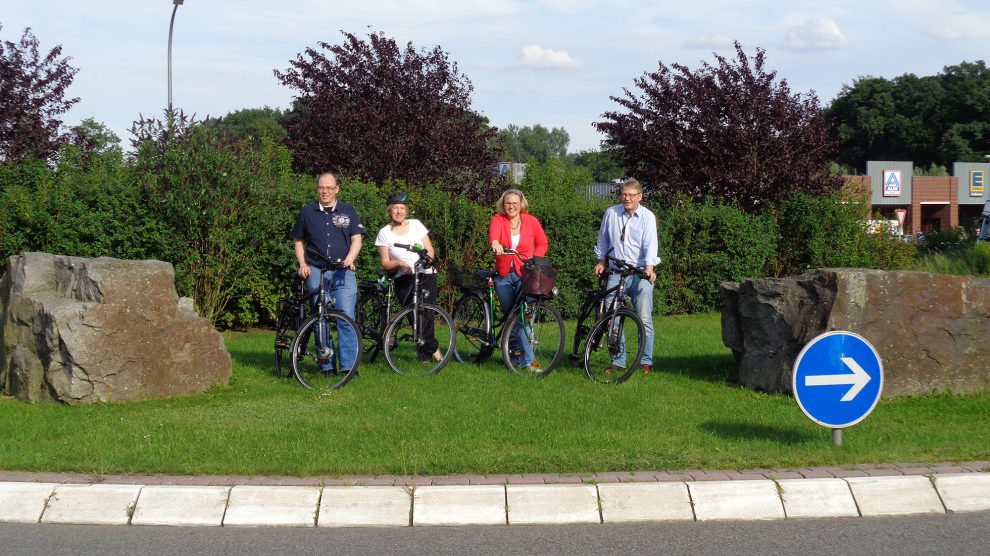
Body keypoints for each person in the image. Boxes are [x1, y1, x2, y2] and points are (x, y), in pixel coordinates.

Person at [292, 171, 364, 374]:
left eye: (329, 188)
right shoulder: (307, 212)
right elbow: (299, 241)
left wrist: (350, 259)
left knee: (346, 317)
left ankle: (348, 367)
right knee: (319, 318)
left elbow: (357, 240)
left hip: (343, 271)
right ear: (317, 189)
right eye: (321, 187)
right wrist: (302, 264)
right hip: (316, 271)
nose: (325, 191)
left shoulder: (348, 211)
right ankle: (327, 365)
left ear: (337, 189)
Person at [594, 178, 659, 375]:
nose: (627, 198)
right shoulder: (611, 213)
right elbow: (603, 239)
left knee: (644, 318)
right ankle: (618, 361)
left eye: (631, 195)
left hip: (640, 273)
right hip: (616, 272)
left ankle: (645, 361)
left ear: (640, 196)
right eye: (624, 194)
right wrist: (601, 262)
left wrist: (649, 268)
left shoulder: (647, 217)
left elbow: (650, 243)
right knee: (613, 317)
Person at [375, 192, 442, 362]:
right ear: (389, 211)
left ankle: (425, 356)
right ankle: (434, 349)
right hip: (404, 278)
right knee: (414, 316)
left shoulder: (416, 225)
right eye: (395, 208)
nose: (399, 211)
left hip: (425, 274)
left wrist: (425, 263)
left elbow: (430, 250)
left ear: (406, 210)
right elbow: (385, 262)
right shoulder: (384, 233)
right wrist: (399, 263)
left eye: (402, 208)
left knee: (426, 313)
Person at [488, 188, 549, 369]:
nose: (511, 206)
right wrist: (496, 244)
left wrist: (534, 259)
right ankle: (514, 356)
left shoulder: (531, 221)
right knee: (512, 317)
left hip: (527, 275)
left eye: (515, 203)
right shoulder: (499, 220)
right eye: (508, 203)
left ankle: (528, 362)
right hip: (504, 275)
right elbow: (494, 236)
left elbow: (542, 243)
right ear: (503, 204)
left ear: (521, 204)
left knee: (524, 317)